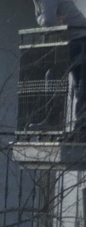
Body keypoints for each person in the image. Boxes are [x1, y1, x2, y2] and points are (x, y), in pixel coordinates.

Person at [33, 0, 86, 135]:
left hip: (80, 39)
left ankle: (59, 122)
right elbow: (46, 20)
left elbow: (49, 21)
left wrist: (44, 20)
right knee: (77, 83)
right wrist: (43, 19)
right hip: (75, 39)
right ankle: (75, 126)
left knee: (64, 78)